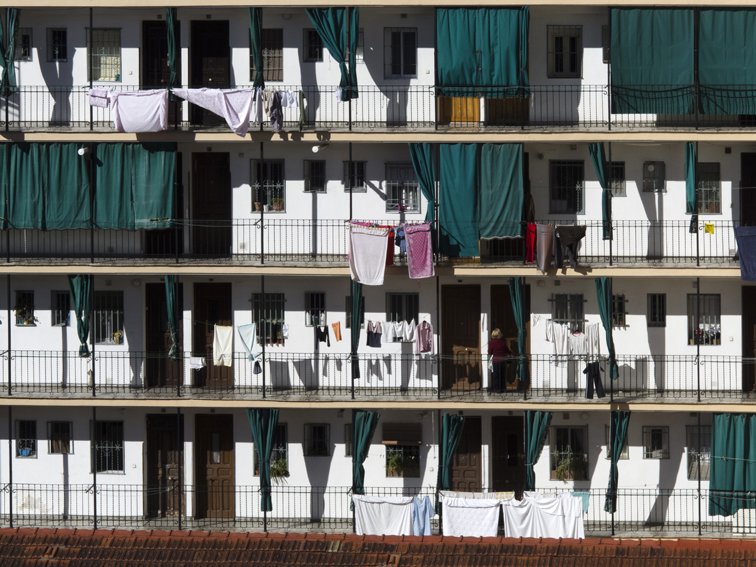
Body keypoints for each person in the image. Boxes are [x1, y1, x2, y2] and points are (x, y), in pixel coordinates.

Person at [488, 328, 511, 393]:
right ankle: (503, 389)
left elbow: (490, 352)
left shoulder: (491, 342)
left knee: (496, 375)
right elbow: (507, 350)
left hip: (496, 361)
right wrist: (511, 353)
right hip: (503, 361)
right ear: (499, 334)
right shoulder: (503, 342)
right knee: (502, 375)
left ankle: (497, 389)